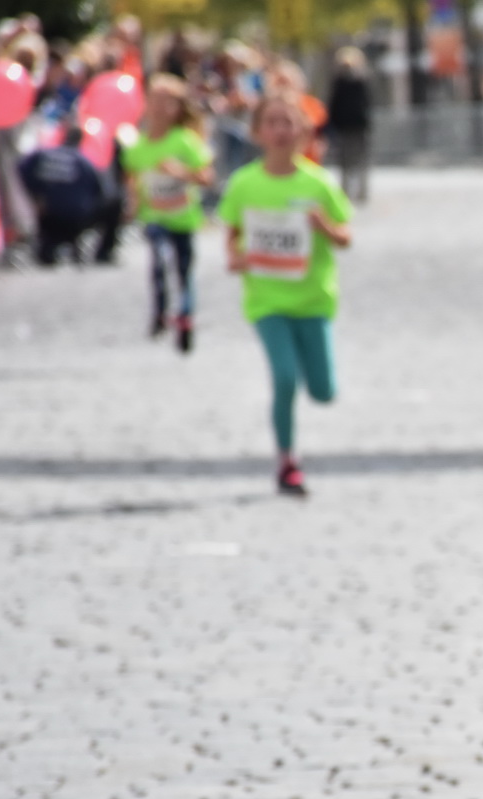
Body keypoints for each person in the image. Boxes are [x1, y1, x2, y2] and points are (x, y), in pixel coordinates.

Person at [218, 95, 353, 497]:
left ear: (303, 132)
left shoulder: (318, 183)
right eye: (272, 123)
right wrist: (236, 258)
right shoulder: (245, 184)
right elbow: (232, 235)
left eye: (288, 123)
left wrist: (324, 226)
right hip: (267, 301)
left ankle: (292, 446)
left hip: (313, 300)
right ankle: (286, 460)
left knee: (324, 391)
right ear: (258, 133)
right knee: (284, 378)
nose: (280, 130)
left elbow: (346, 236)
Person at [122, 74, 214, 352]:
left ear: (178, 109)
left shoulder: (185, 141)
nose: (161, 108)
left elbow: (206, 177)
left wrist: (181, 172)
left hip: (183, 218)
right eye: (155, 101)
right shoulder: (138, 146)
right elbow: (133, 178)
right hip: (155, 217)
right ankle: (160, 313)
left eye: (168, 103)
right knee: (160, 261)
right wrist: (133, 203)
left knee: (183, 271)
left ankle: (185, 316)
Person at [17, 124, 108, 265]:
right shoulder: (84, 161)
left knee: (47, 248)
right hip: (76, 218)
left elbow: (20, 168)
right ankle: (89, 248)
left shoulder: (44, 154)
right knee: (111, 206)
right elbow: (100, 191)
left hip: (47, 215)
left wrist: (34, 194)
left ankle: (49, 249)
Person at [326, 46, 372, 204]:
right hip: (353, 126)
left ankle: (353, 191)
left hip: (350, 126)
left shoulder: (355, 80)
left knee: (351, 161)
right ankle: (356, 192)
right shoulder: (358, 80)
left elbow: (333, 105)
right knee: (354, 161)